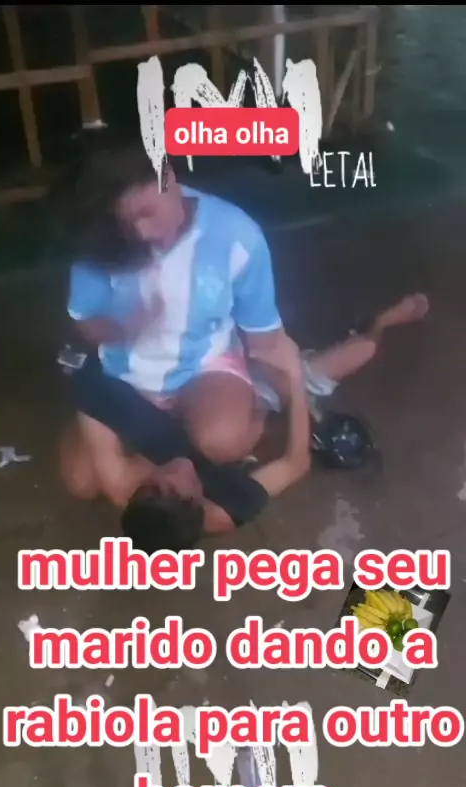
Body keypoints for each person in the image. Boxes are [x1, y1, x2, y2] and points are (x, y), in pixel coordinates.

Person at [59, 137, 429, 545]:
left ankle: (242, 402)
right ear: (200, 500)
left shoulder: (235, 236)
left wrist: (101, 401)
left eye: (145, 214)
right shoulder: (232, 505)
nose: (142, 234)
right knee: (213, 442)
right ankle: (259, 401)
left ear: (167, 175)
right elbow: (296, 463)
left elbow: (90, 397)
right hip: (137, 379)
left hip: (190, 371)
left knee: (89, 479)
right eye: (126, 225)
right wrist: (295, 383)